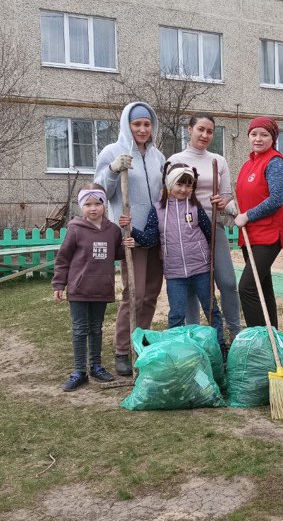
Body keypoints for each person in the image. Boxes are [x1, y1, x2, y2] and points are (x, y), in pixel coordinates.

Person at [120, 163, 226, 356]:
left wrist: (206, 256)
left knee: (211, 309)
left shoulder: (194, 207)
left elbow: (209, 233)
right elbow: (150, 238)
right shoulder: (158, 210)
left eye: (188, 185)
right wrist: (131, 229)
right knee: (176, 314)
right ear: (170, 184)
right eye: (179, 184)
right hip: (175, 273)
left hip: (201, 269)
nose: (184, 189)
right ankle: (175, 351)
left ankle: (220, 347)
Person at [94, 102, 165, 377]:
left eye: (147, 124)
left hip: (155, 233)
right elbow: (99, 191)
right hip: (130, 234)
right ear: (127, 125)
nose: (143, 129)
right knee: (133, 294)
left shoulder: (158, 156)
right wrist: (113, 169)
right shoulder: (113, 151)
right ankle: (122, 350)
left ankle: (141, 342)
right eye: (137, 124)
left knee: (151, 294)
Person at [167, 113, 240, 343]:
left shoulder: (218, 160)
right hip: (185, 230)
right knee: (189, 285)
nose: (205, 135)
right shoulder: (175, 159)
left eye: (210, 131)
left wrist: (226, 202)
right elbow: (168, 194)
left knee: (227, 282)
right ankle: (194, 336)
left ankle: (235, 332)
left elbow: (227, 196)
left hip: (214, 226)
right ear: (189, 129)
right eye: (200, 129)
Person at [52, 184, 128, 391]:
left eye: (97, 203)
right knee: (79, 329)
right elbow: (63, 258)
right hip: (79, 288)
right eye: (88, 204)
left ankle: (96, 366)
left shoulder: (112, 230)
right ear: (81, 206)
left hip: (101, 287)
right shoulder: (75, 229)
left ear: (104, 205)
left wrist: (127, 245)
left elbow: (116, 254)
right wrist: (59, 283)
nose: (93, 208)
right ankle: (79, 371)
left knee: (96, 328)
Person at [234, 116, 283, 328]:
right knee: (262, 288)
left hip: (268, 235)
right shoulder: (249, 163)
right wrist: (232, 207)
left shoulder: (275, 162)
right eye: (254, 134)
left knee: (247, 287)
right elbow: (246, 196)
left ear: (273, 138)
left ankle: (258, 340)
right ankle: (272, 335)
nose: (258, 138)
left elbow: (276, 199)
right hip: (250, 235)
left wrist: (247, 215)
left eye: (264, 135)